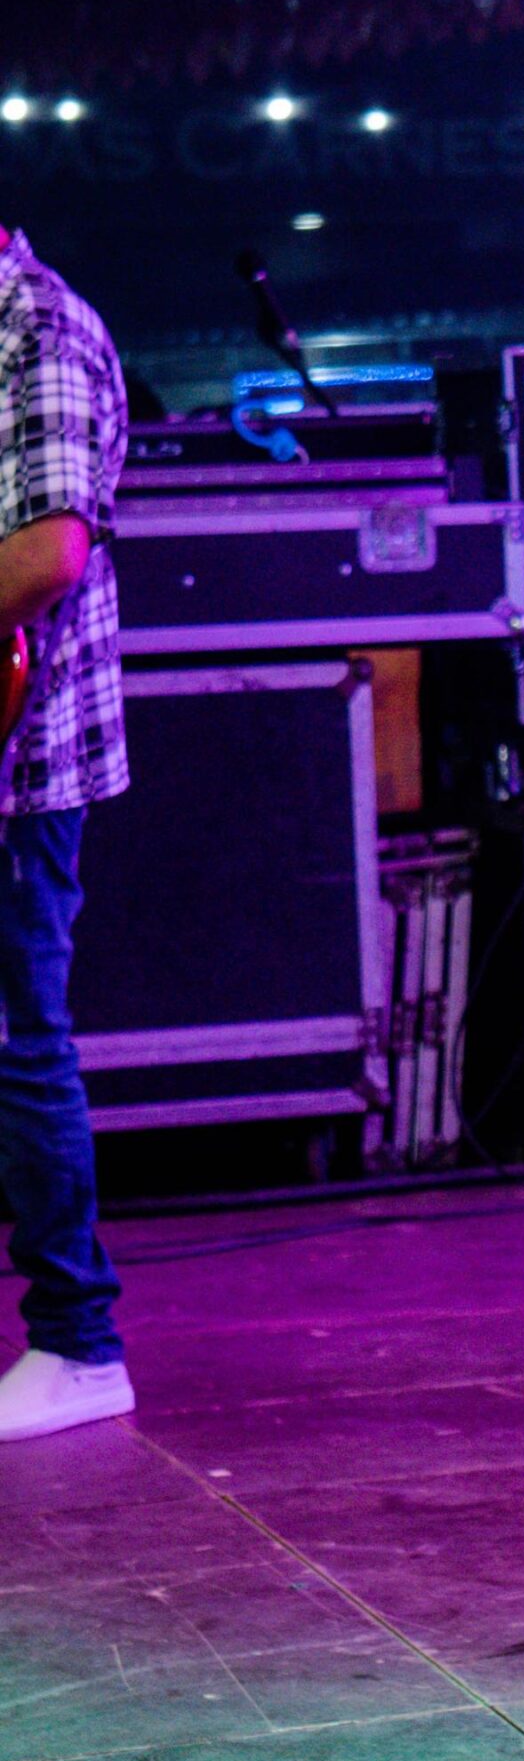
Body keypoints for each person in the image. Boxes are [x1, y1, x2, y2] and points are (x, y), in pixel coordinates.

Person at [0, 226, 132, 1443]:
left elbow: (48, 550)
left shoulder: (34, 327)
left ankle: (79, 1343)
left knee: (18, 1044)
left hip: (20, 762)